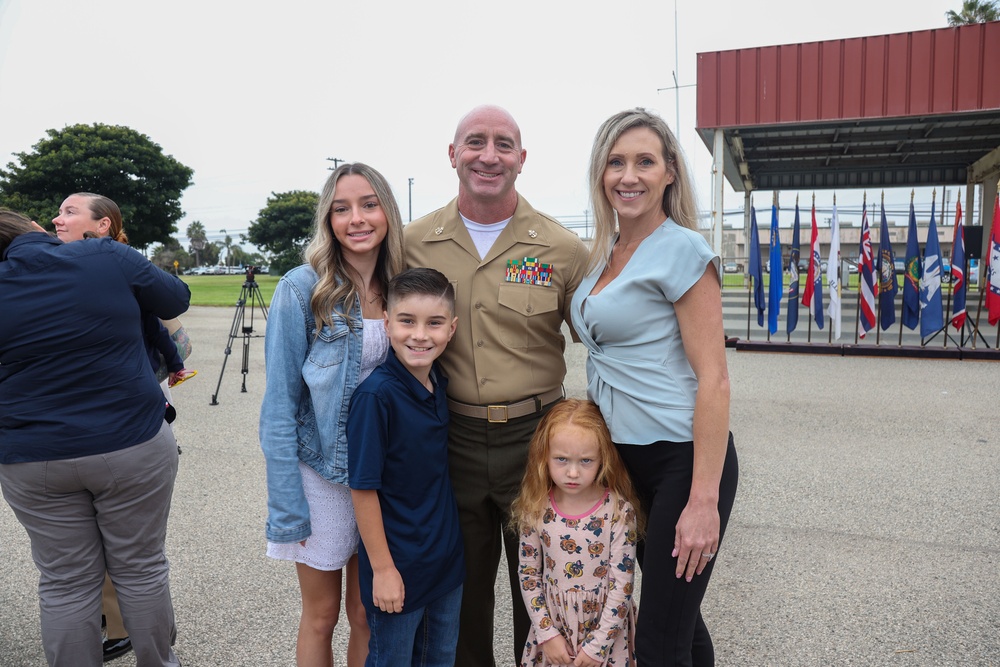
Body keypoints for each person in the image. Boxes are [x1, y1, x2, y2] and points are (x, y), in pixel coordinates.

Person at [404, 104, 589, 667]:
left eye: (504, 144)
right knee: (462, 595)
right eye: (476, 142)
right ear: (453, 154)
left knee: (544, 595)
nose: (490, 155)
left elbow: (607, 340)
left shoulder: (562, 249)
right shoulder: (413, 242)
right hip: (450, 437)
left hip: (537, 442)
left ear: (522, 159)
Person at [570, 108, 739, 666]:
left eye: (645, 161)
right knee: (679, 624)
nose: (629, 175)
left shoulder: (684, 251)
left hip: (681, 459)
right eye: (615, 162)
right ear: (600, 174)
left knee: (658, 642)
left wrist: (703, 500)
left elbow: (714, 379)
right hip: (623, 462)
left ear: (670, 172)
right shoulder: (601, 256)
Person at [0, 210, 190, 667]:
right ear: (37, 231)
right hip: (131, 440)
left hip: (31, 455)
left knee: (65, 581)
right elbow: (175, 297)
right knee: (141, 567)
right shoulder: (103, 254)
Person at [260, 163, 405, 667]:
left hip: (386, 475)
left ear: (388, 210)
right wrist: (286, 504)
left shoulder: (405, 285)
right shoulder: (303, 288)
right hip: (322, 473)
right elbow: (278, 405)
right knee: (321, 616)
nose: (357, 219)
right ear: (328, 220)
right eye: (341, 209)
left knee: (367, 613)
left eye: (368, 204)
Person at [55, 193, 194, 662]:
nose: (58, 218)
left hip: (129, 425)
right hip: (72, 437)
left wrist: (140, 369)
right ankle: (103, 624)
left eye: (70, 212)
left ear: (104, 226)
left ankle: (118, 627)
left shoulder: (129, 273)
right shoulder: (44, 273)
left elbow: (179, 338)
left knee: (129, 553)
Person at [347, 268, 463, 666]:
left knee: (440, 658)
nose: (420, 335)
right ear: (387, 323)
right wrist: (382, 570)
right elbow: (362, 489)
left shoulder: (439, 384)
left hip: (446, 562)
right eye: (406, 321)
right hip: (398, 566)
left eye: (434, 323)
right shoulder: (375, 398)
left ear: (452, 328)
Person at [510, 399, 640, 667]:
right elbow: (528, 574)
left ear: (603, 458)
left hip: (606, 636)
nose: (572, 472)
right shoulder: (535, 508)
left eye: (586, 461)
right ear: (543, 456)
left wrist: (598, 646)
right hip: (553, 632)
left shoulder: (618, 512)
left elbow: (622, 585)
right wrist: (546, 634)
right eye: (561, 459)